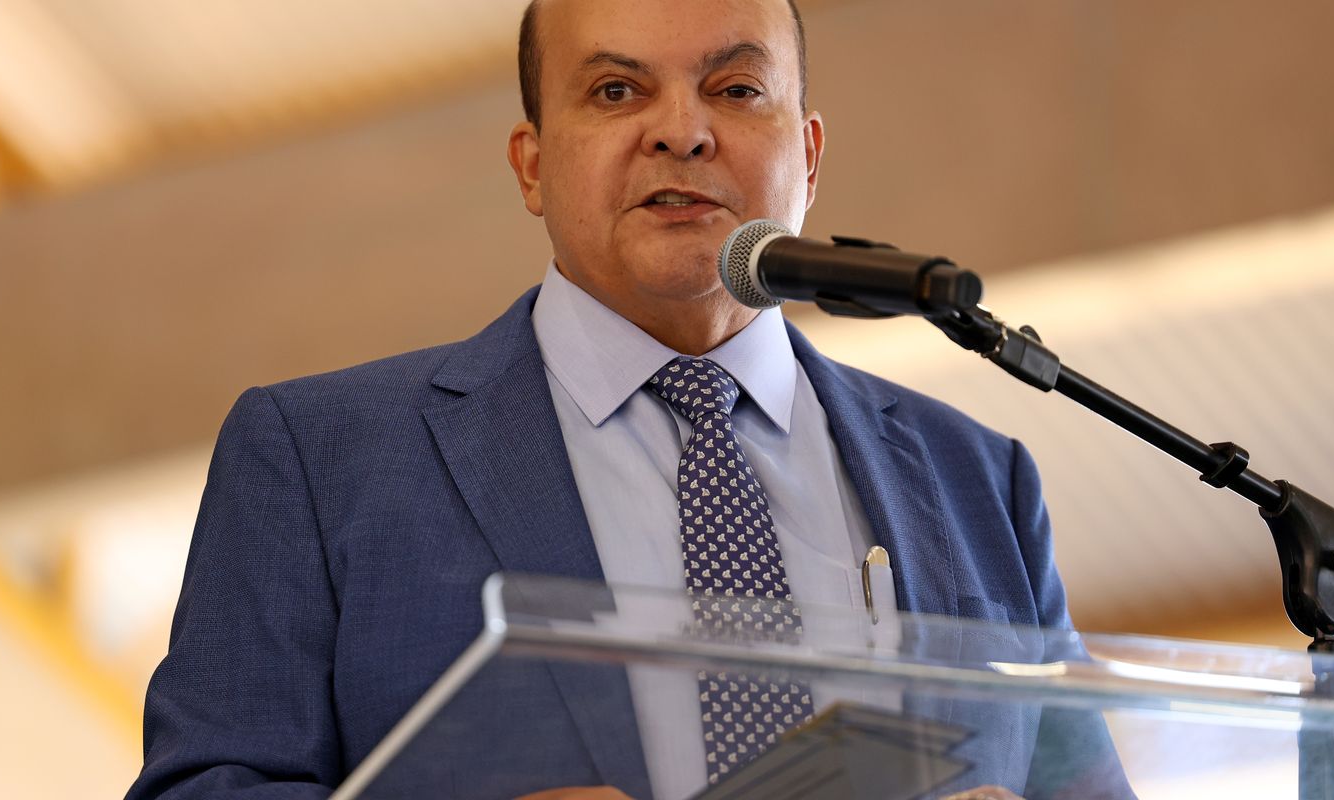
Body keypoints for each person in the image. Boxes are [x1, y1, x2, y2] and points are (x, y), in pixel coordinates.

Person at [127, 2, 1130, 798]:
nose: (682, 133)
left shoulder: (978, 478)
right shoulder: (318, 458)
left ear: (810, 156)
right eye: (616, 90)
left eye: (736, 89)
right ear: (532, 165)